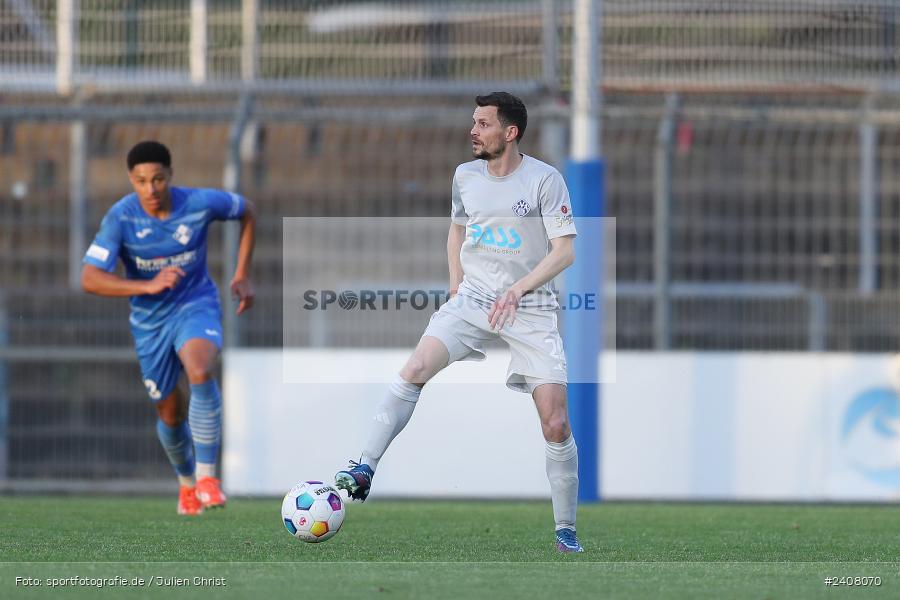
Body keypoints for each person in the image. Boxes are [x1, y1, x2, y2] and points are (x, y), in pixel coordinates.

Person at [335, 92, 583, 552]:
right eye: (473, 122)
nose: (473, 131)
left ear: (510, 132)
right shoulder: (464, 176)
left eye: (484, 124)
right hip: (473, 299)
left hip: (529, 309)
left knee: (555, 423)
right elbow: (457, 229)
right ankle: (363, 466)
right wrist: (456, 284)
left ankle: (565, 530)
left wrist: (518, 289)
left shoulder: (545, 180)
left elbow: (564, 250)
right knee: (413, 370)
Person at [81, 141, 255, 516]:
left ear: (170, 176)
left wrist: (242, 273)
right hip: (149, 323)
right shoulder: (121, 218)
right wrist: (146, 285)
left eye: (158, 179)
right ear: (131, 180)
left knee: (199, 367)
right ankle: (188, 483)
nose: (151, 189)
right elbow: (90, 278)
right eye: (141, 181)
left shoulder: (199, 203)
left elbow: (247, 212)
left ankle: (209, 478)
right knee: (169, 413)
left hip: (196, 305)